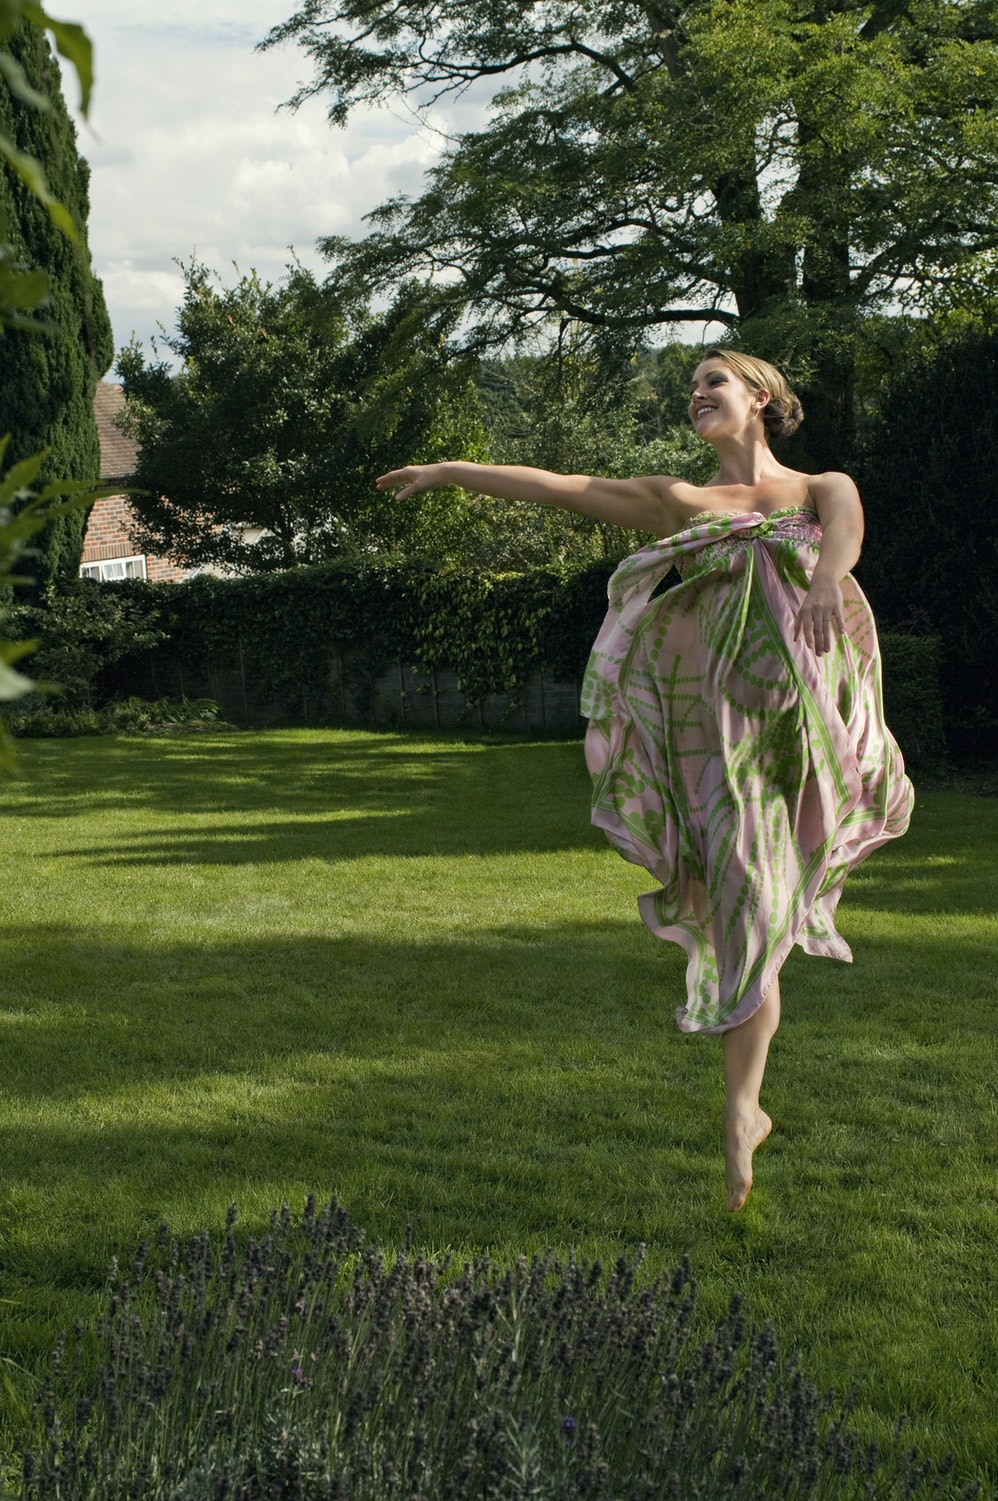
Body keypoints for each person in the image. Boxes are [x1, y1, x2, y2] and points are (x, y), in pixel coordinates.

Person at [376, 350, 914, 1211]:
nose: (697, 395)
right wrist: (451, 471)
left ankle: (743, 1103)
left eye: (714, 383)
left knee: (760, 905)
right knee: (748, 903)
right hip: (711, 740)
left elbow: (845, 534)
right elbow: (561, 484)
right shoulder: (680, 501)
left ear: (761, 397)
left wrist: (824, 577)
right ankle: (743, 1109)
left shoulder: (819, 487)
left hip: (795, 735)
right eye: (691, 387)